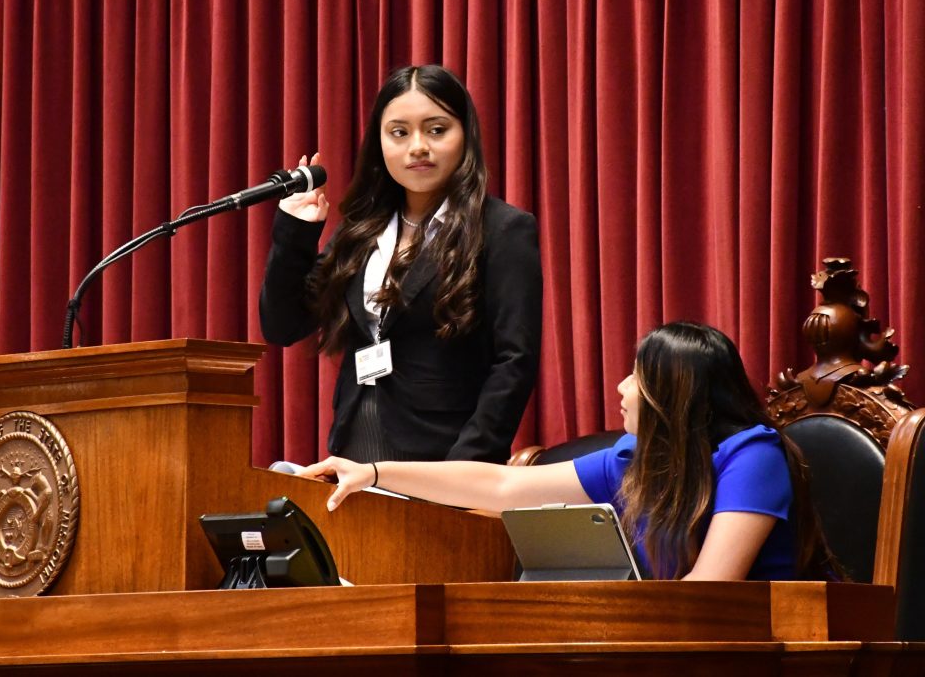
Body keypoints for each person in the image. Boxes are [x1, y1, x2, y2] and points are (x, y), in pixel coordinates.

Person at [297, 322, 841, 581]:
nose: (622, 389)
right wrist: (371, 472)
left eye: (636, 376)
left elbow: (711, 590)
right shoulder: (635, 458)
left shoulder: (753, 454)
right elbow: (502, 487)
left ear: (673, 394)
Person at [260, 65, 542, 465]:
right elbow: (283, 326)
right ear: (379, 143)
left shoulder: (502, 229)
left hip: (446, 461)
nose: (417, 146)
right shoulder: (360, 231)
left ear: (466, 137)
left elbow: (515, 362)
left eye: (437, 129)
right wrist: (295, 234)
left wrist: (463, 468)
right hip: (354, 454)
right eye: (399, 132)